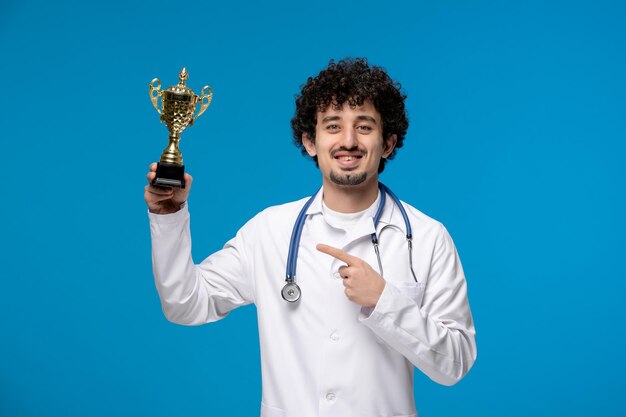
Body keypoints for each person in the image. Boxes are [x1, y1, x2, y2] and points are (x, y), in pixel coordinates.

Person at [144, 58, 476, 417]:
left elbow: (454, 364)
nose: (348, 141)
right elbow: (185, 304)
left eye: (364, 127)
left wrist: (385, 301)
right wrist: (170, 217)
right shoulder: (269, 231)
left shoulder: (428, 237)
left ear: (388, 143)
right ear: (310, 141)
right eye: (332, 126)